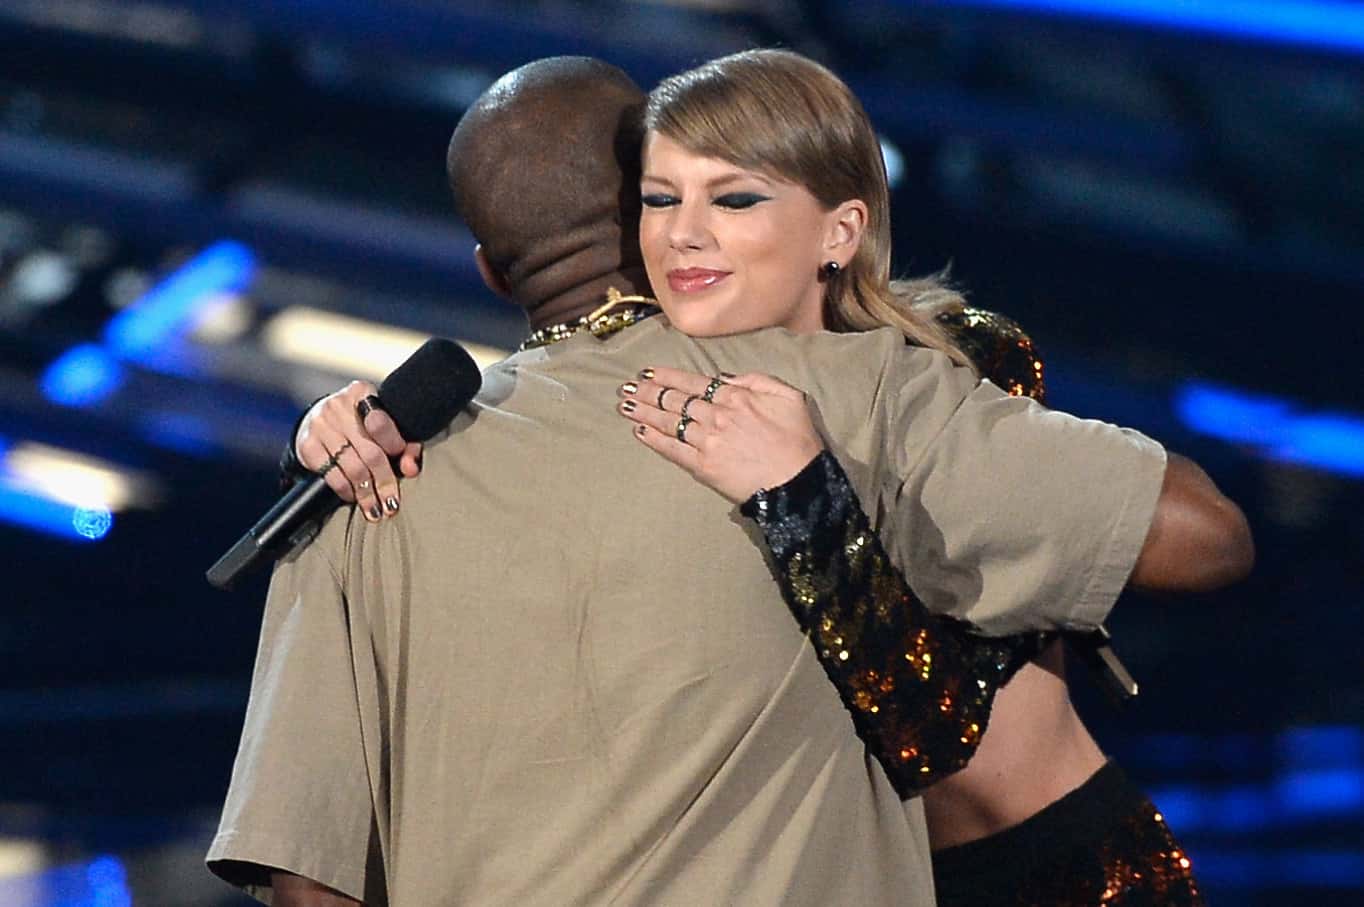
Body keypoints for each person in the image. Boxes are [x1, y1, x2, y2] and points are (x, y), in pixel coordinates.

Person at [209, 55, 1249, 907]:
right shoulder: (390, 462)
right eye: (665, 200)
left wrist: (803, 493)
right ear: (638, 218)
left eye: (728, 196)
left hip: (1053, 869)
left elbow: (308, 870)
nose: (689, 232)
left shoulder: (904, 365)